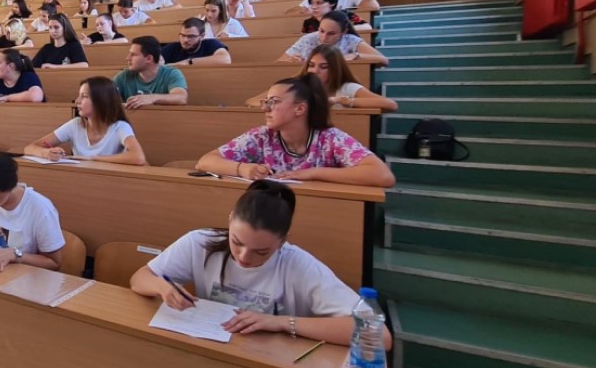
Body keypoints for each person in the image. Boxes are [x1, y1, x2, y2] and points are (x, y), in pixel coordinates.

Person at [130, 180, 389, 347]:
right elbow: (140, 277)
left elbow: (378, 335)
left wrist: (281, 322)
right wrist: (162, 287)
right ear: (230, 219)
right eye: (236, 242)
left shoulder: (299, 266)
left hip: (270, 361)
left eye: (261, 252)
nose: (244, 257)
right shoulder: (201, 242)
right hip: (214, 349)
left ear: (283, 240)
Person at [196, 75, 395, 187]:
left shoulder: (330, 138)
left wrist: (312, 173)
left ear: (300, 109)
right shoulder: (261, 136)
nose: (266, 109)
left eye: (274, 102)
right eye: (266, 102)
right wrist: (243, 169)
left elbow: (383, 175)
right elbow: (205, 162)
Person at [24, 77, 147, 165]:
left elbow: (138, 157)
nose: (77, 101)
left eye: (84, 97)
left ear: (101, 101)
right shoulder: (75, 125)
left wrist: (93, 158)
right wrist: (47, 153)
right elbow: (29, 148)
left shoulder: (120, 127)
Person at [297, 45, 398, 112]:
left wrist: (339, 100)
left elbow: (391, 105)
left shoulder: (347, 88)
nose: (315, 71)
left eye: (323, 67)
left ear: (335, 69)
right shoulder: (299, 86)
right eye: (311, 65)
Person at [282, 11, 388, 65]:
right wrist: (291, 60)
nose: (324, 37)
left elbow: (383, 60)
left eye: (331, 33)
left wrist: (355, 56)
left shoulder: (350, 40)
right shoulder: (308, 38)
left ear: (343, 32)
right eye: (321, 31)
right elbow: (280, 61)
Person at [114, 36, 189, 109]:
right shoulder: (124, 75)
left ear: (149, 58)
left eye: (133, 55)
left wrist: (152, 98)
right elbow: (108, 96)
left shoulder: (171, 73)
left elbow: (181, 98)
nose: (127, 58)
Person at [296, 0, 372, 34]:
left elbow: (367, 27)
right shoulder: (308, 23)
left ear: (332, 3)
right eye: (311, 4)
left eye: (319, 3)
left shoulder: (345, 15)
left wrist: (337, 30)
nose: (314, 7)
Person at [160, 17, 231, 65]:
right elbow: (156, 60)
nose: (185, 40)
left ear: (202, 36)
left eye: (191, 36)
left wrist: (189, 62)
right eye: (183, 35)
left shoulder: (210, 44)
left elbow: (225, 59)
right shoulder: (173, 47)